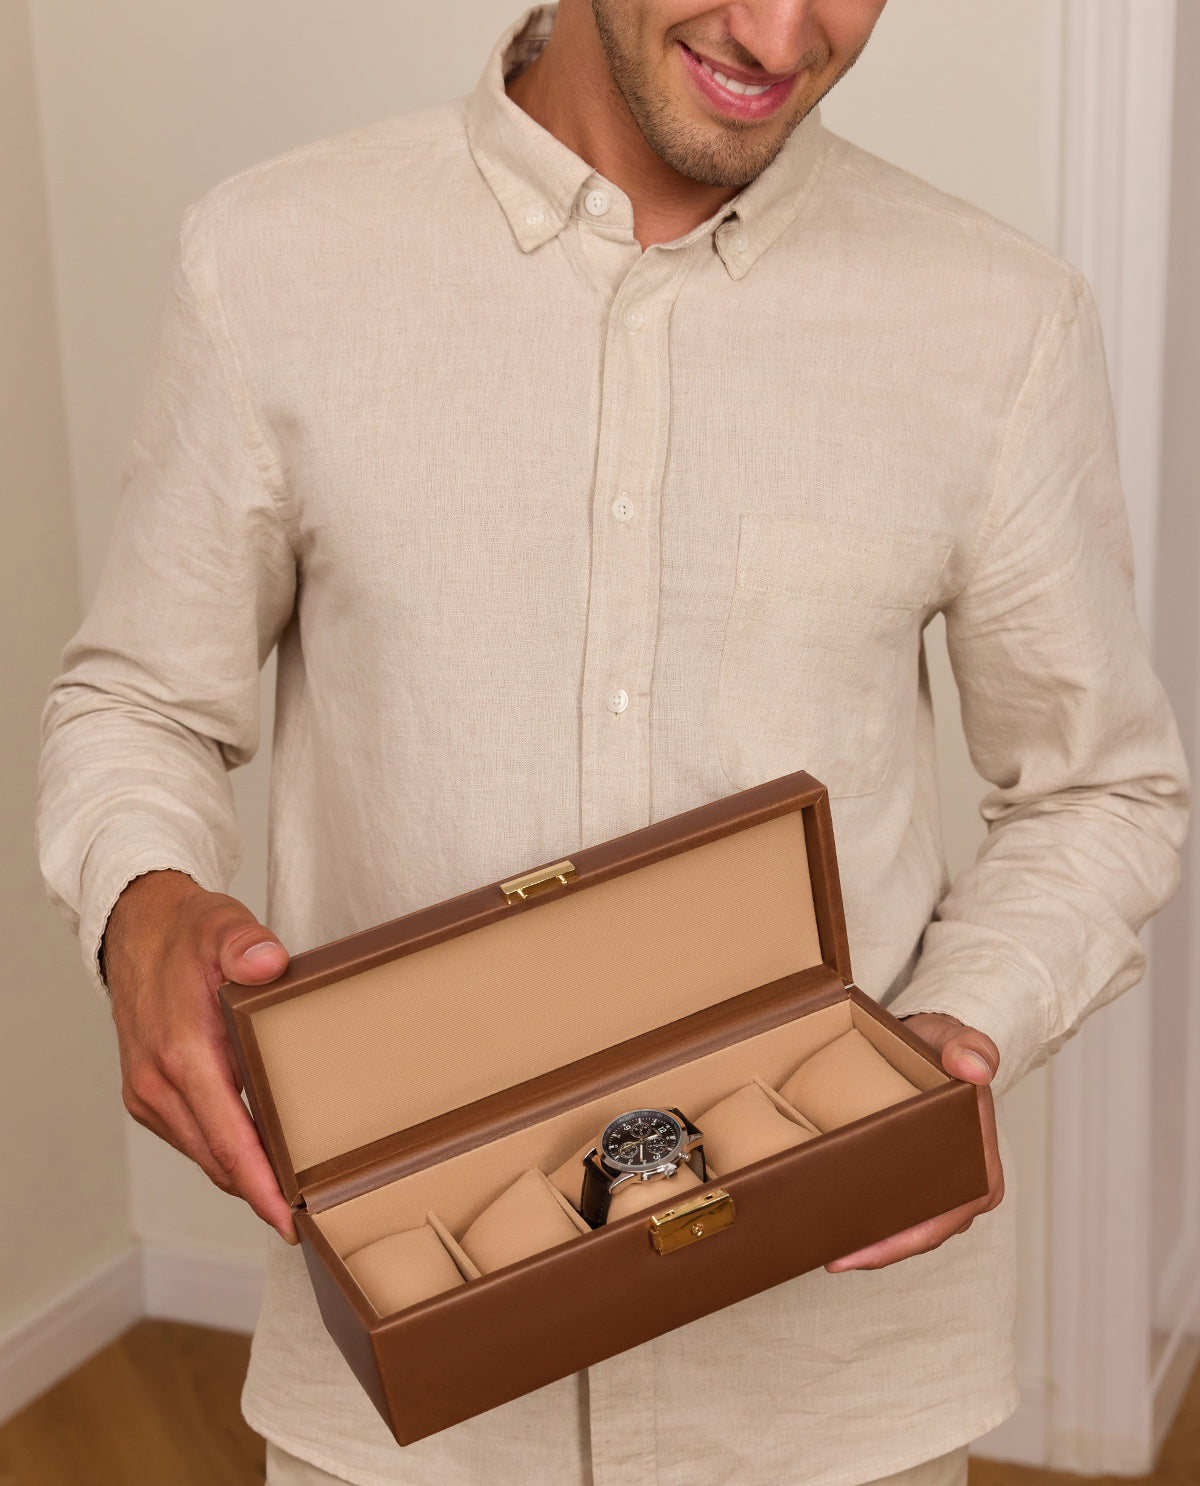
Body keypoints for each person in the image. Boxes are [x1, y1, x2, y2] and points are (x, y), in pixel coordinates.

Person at [37, 2, 1187, 1484]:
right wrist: (140, 895)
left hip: (834, 1403)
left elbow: (1101, 789)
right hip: (397, 1414)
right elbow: (138, 699)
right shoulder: (268, 259)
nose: (779, 32)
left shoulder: (1002, 320)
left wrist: (957, 1031)